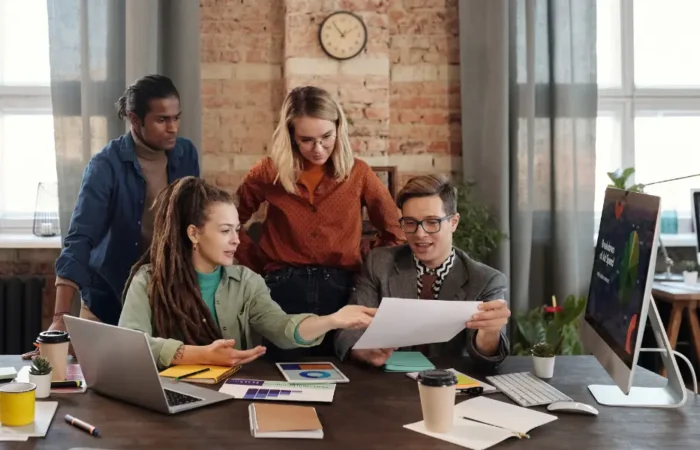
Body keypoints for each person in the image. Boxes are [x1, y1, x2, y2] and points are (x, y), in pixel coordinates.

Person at [22, 75, 199, 360]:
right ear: (134, 119)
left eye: (176, 118)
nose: (173, 128)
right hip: (108, 302)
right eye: (162, 120)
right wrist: (60, 318)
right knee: (98, 395)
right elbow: (80, 239)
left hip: (165, 303)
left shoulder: (186, 154)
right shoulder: (105, 165)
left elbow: (193, 224)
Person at [119, 177, 376, 368]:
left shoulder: (247, 282)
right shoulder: (149, 280)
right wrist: (199, 355)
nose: (236, 240)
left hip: (233, 401)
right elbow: (130, 345)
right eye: (225, 231)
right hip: (169, 398)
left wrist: (332, 320)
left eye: (237, 229)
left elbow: (282, 328)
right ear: (193, 233)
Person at [234, 86, 405, 359]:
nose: (318, 148)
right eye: (306, 140)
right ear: (291, 136)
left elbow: (395, 231)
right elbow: (230, 222)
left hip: (340, 288)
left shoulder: (358, 173)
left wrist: (363, 256)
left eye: (326, 137)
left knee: (343, 374)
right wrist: (257, 261)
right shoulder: (267, 173)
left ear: (339, 128)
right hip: (281, 289)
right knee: (281, 372)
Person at [335, 174, 512, 369]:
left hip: (451, 386)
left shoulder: (486, 280)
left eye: (431, 222)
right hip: (388, 385)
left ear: (453, 222)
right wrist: (362, 350)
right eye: (410, 223)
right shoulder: (379, 263)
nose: (420, 234)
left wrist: (489, 333)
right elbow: (347, 329)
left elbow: (487, 359)